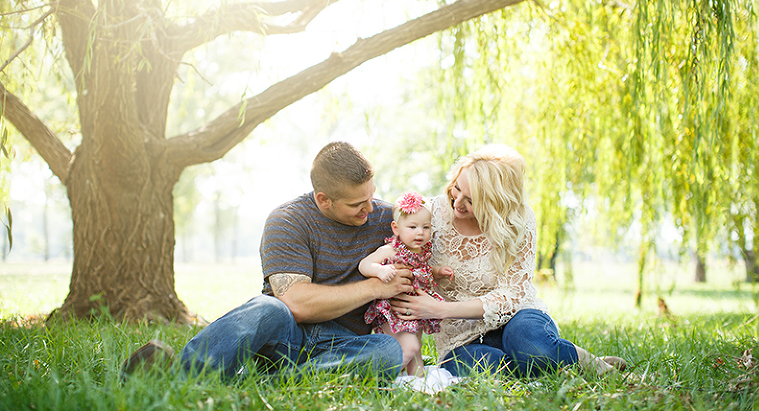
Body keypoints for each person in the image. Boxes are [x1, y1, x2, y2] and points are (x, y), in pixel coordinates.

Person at [121, 142, 412, 381]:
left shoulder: (389, 220)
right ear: (324, 200)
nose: (370, 209)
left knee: (386, 351)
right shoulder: (288, 220)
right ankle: (182, 375)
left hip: (344, 344)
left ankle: (259, 384)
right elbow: (296, 303)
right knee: (267, 307)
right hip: (285, 336)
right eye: (356, 204)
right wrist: (376, 288)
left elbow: (437, 227)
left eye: (371, 196)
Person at [389, 145, 627, 378]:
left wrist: (441, 309)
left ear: (494, 202)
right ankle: (556, 362)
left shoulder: (519, 220)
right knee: (486, 369)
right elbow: (404, 251)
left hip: (517, 318)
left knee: (534, 350)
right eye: (457, 188)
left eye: (471, 200)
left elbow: (513, 294)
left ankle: (575, 360)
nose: (458, 202)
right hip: (461, 337)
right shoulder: (432, 214)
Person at [359, 191, 453, 376]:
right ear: (396, 228)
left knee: (416, 354)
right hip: (394, 312)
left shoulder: (421, 252)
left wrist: (438, 271)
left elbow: (421, 271)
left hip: (414, 312)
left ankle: (415, 381)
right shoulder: (391, 250)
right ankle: (377, 377)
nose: (420, 232)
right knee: (409, 347)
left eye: (426, 227)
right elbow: (364, 265)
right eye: (412, 227)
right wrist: (381, 270)